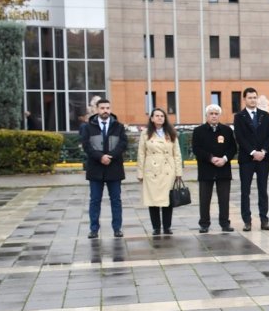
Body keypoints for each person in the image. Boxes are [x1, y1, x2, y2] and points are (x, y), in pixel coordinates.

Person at [81, 98, 127, 238]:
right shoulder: (88, 127)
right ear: (96, 109)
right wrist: (100, 157)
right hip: (95, 169)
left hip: (114, 168)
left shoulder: (118, 126)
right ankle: (94, 229)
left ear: (110, 109)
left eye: (107, 108)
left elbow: (123, 144)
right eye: (102, 108)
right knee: (95, 200)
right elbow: (86, 145)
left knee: (116, 200)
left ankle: (117, 228)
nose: (105, 111)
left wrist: (110, 156)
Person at [234, 87, 269, 231]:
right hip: (247, 158)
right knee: (245, 191)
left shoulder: (264, 115)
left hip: (263, 158)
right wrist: (252, 152)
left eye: (254, 97)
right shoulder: (239, 116)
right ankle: (247, 221)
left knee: (263, 189)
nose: (253, 100)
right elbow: (240, 137)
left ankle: (264, 220)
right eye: (250, 97)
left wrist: (263, 151)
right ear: (244, 99)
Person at [192, 104, 237, 233]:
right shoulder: (198, 131)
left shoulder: (227, 130)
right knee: (205, 199)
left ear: (219, 115)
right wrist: (211, 158)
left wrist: (224, 158)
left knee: (224, 199)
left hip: (223, 170)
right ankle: (204, 224)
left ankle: (225, 223)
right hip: (206, 170)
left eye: (216, 114)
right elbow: (197, 149)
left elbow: (233, 148)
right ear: (206, 115)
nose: (213, 116)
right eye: (211, 113)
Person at [137, 108, 182, 236]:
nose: (159, 118)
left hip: (168, 170)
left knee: (168, 199)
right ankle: (156, 227)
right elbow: (141, 154)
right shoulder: (145, 134)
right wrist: (140, 173)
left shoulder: (171, 133)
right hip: (152, 170)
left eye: (162, 116)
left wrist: (179, 172)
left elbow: (177, 153)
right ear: (151, 118)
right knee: (153, 200)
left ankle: (167, 227)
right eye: (156, 116)